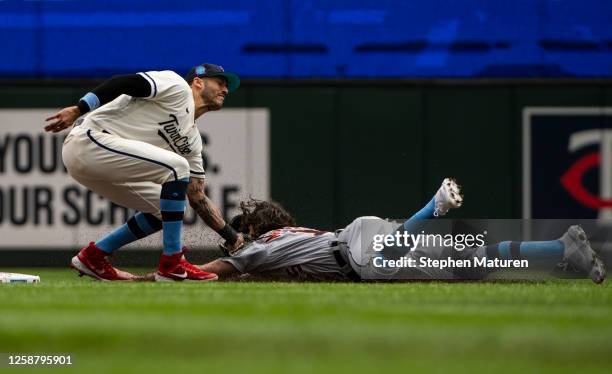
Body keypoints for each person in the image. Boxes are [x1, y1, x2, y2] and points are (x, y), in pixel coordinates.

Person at [44, 63, 244, 282]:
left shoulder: (192, 142)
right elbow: (122, 82)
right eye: (220, 82)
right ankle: (172, 262)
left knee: (164, 209)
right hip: (88, 140)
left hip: (99, 162)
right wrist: (79, 108)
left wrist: (232, 237)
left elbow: (196, 196)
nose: (225, 89)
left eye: (226, 86)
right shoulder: (176, 86)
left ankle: (94, 256)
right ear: (197, 82)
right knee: (178, 168)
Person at [197, 179, 606, 284]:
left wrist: (178, 271)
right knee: (468, 263)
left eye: (244, 230)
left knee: (379, 265)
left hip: (357, 252)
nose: (243, 236)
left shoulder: (266, 246)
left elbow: (225, 267)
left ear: (256, 228)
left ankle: (434, 206)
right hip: (364, 232)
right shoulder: (286, 236)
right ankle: (560, 247)